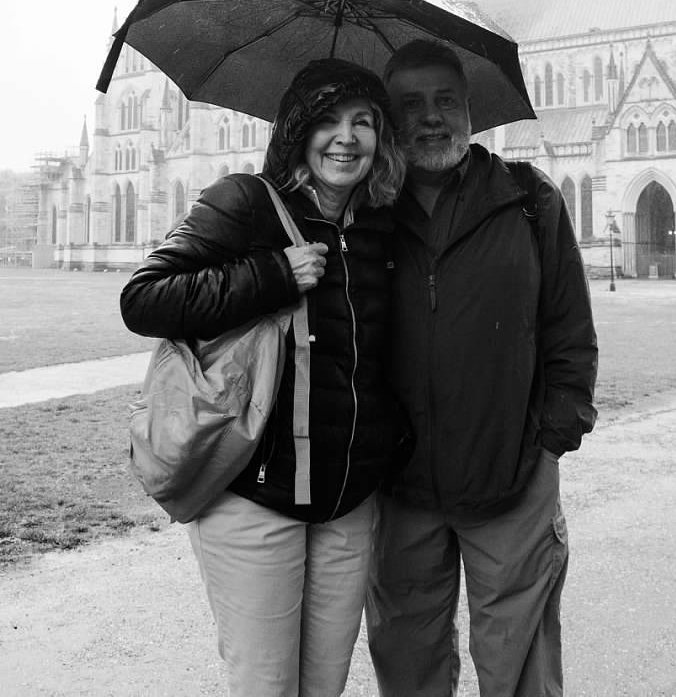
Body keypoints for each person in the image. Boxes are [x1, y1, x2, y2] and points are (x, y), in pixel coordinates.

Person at [120, 58, 410, 697]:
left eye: (363, 122)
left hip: (346, 504)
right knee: (266, 686)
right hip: (255, 496)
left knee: (324, 685)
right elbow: (143, 299)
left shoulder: (381, 225)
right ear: (298, 130)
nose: (346, 138)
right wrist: (273, 274)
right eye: (328, 120)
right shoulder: (245, 202)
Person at [365, 39, 598, 697]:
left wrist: (551, 443)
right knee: (407, 664)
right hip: (399, 488)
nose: (430, 117)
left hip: (511, 479)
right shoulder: (366, 213)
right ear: (389, 119)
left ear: (470, 108)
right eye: (411, 104)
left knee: (520, 670)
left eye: (445, 100)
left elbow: (570, 333)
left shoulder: (528, 199)